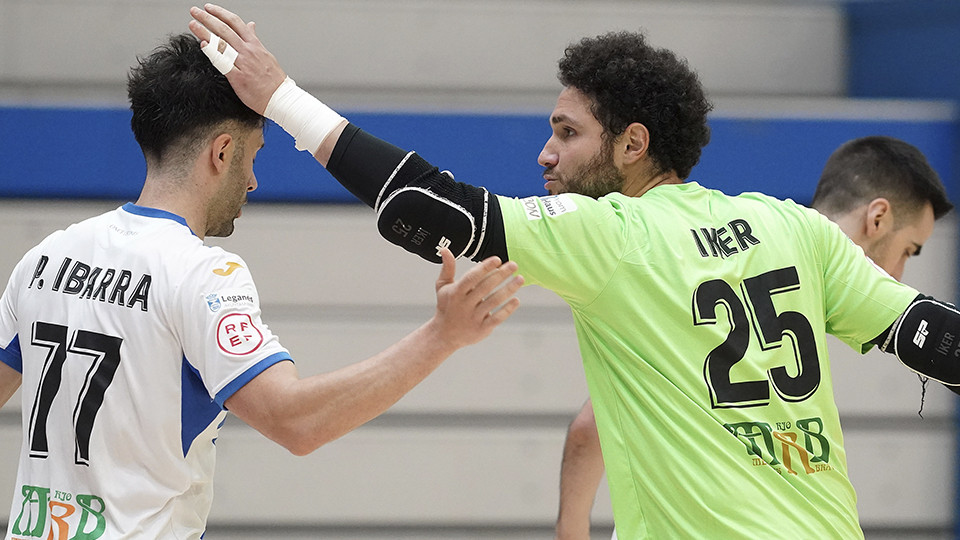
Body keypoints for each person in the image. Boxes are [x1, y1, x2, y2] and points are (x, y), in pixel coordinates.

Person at [189, 6, 960, 538]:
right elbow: (929, 336)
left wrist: (279, 99)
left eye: (566, 133)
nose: (545, 155)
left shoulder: (610, 233)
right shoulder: (794, 224)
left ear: (632, 144)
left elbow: (434, 209)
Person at [0, 33, 523, 539]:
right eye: (254, 154)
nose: (254, 181)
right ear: (222, 152)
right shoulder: (199, 274)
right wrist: (441, 337)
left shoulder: (45, 257)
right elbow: (295, 421)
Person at [555, 134, 954, 539]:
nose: (901, 274)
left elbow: (596, 419)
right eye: (909, 250)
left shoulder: (752, 246)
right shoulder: (783, 272)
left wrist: (571, 526)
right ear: (878, 218)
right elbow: (594, 422)